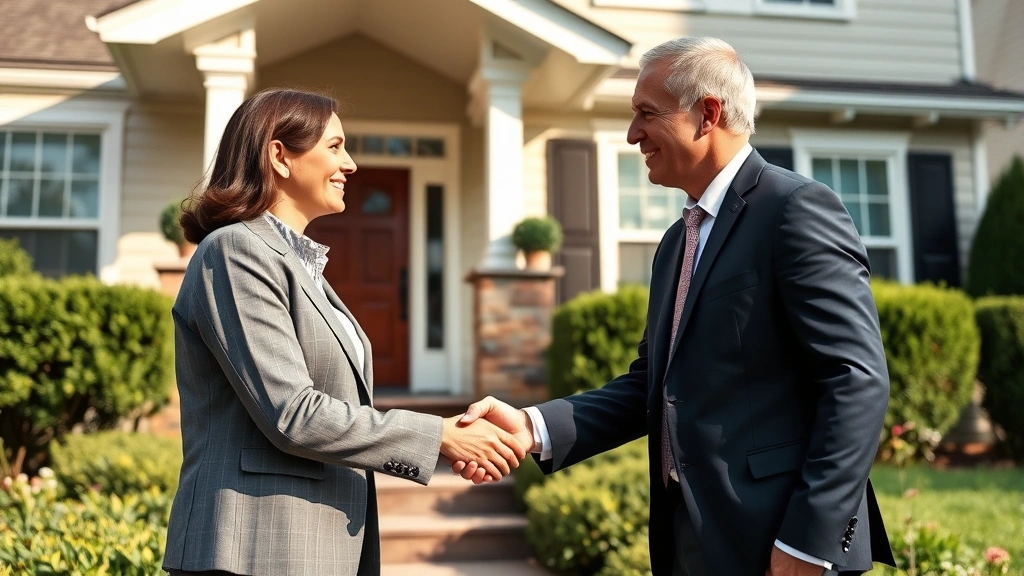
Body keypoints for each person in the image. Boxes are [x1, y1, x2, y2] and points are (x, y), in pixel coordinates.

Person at [456, 37, 896, 576]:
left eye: (647, 113)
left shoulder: (794, 210)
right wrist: (532, 427)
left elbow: (855, 380)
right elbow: (653, 383)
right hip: (689, 535)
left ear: (708, 114)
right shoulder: (676, 242)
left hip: (780, 539)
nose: (632, 133)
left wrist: (811, 541)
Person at [161, 88, 527, 576]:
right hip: (254, 546)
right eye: (335, 147)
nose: (350, 164)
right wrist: (437, 434)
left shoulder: (296, 262)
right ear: (279, 156)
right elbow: (293, 413)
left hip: (316, 543)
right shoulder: (235, 252)